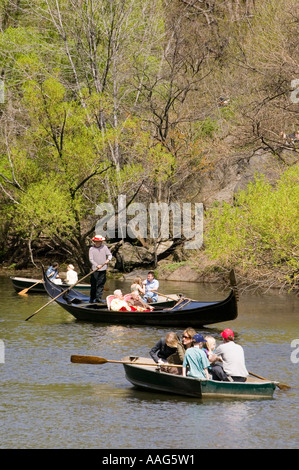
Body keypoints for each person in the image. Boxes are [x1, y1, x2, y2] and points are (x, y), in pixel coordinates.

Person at [89, 235, 112, 303]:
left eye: (100, 241)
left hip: (103, 269)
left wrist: (108, 260)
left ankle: (98, 298)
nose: (100, 242)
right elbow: (91, 259)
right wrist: (97, 265)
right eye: (98, 241)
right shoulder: (91, 249)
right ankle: (92, 298)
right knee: (94, 285)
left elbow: (110, 255)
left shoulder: (104, 247)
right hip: (94, 270)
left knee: (101, 284)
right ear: (95, 242)